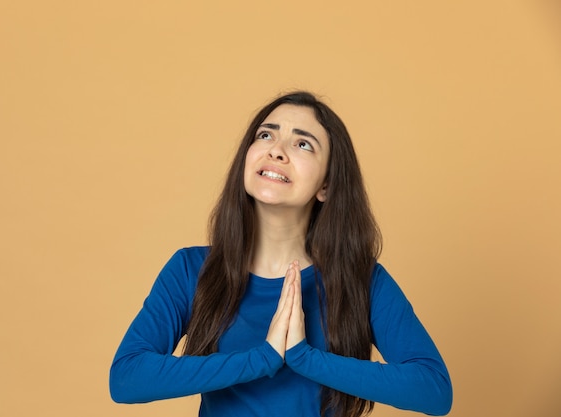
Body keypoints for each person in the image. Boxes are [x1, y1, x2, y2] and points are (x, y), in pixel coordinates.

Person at [109, 91, 452, 417]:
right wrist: (263, 358)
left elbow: (433, 390)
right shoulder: (191, 269)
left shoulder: (362, 281)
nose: (277, 150)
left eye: (303, 144)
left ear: (326, 186)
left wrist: (305, 357)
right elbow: (126, 378)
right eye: (265, 136)